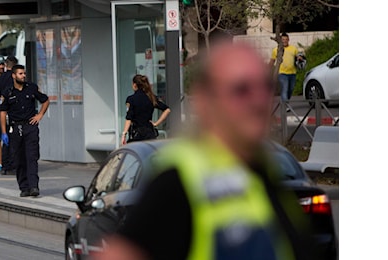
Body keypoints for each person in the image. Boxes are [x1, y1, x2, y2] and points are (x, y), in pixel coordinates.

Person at [98, 42, 315, 260]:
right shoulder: (179, 182)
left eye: (266, 87)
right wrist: (154, 125)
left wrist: (126, 134)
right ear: (204, 101)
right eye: (241, 89)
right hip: (148, 133)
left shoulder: (264, 171)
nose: (258, 100)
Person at [0, 65, 49, 198]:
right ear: (14, 76)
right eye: (20, 74)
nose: (23, 76)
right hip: (15, 128)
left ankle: (34, 186)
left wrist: (40, 115)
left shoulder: (31, 88)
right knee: (19, 159)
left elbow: (45, 100)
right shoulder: (8, 92)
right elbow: (3, 112)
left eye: (24, 73)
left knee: (32, 157)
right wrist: (4, 132)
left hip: (30, 127)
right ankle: (24, 187)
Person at [120, 74, 171, 145]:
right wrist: (156, 123)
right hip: (149, 133)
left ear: (135, 85)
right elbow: (167, 110)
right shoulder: (151, 98)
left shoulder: (131, 99)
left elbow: (129, 118)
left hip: (137, 135)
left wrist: (124, 134)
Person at [0, 56, 19, 175]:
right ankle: (11, 164)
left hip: (2, 111)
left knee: (4, 137)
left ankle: (4, 165)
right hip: (12, 111)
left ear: (6, 65)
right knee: (13, 138)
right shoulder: (15, 77)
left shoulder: (1, 79)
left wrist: (2, 98)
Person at [269, 33, 304, 103]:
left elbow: (298, 56)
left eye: (286, 39)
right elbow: (272, 61)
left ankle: (284, 100)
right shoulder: (276, 50)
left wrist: (300, 58)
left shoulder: (293, 48)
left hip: (292, 73)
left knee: (290, 89)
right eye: (283, 39)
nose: (284, 41)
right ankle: (285, 105)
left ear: (288, 40)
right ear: (280, 40)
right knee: (285, 88)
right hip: (282, 73)